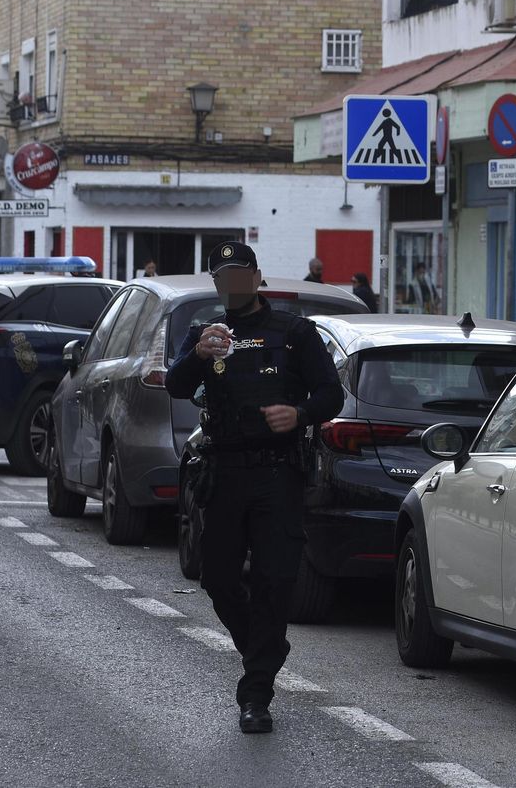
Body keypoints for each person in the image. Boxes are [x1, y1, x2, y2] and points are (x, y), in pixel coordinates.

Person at [165, 241, 342, 735]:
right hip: (224, 474)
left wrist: (300, 413)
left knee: (274, 580)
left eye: (240, 273)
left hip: (277, 475)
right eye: (223, 276)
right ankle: (265, 649)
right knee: (218, 578)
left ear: (257, 277)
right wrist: (197, 355)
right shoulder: (207, 334)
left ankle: (255, 693)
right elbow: (178, 385)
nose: (232, 283)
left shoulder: (294, 334)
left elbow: (331, 392)